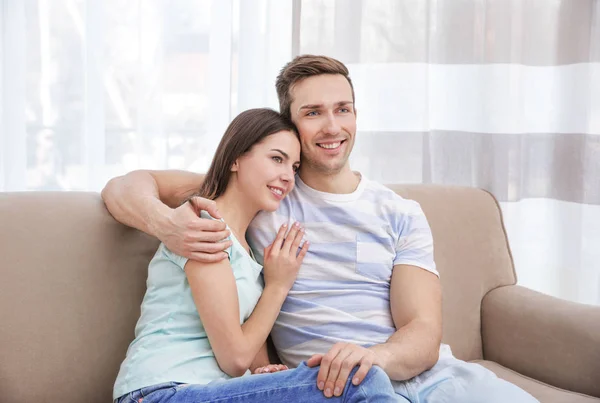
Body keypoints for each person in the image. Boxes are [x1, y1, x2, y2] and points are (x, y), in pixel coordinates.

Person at [104, 56, 538, 402]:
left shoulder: (399, 212)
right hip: (330, 385)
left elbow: (423, 333)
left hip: (414, 375)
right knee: (361, 385)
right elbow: (125, 187)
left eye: (342, 109)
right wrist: (168, 227)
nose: (332, 126)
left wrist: (369, 358)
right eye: (313, 112)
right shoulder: (257, 195)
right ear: (291, 124)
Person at [111, 108, 399, 403]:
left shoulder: (248, 250)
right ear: (236, 158)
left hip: (209, 392)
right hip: (163, 392)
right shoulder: (203, 228)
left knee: (354, 377)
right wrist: (278, 286)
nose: (287, 177)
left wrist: (266, 372)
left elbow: (248, 360)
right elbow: (235, 358)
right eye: (277, 159)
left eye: (294, 167)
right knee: (362, 380)